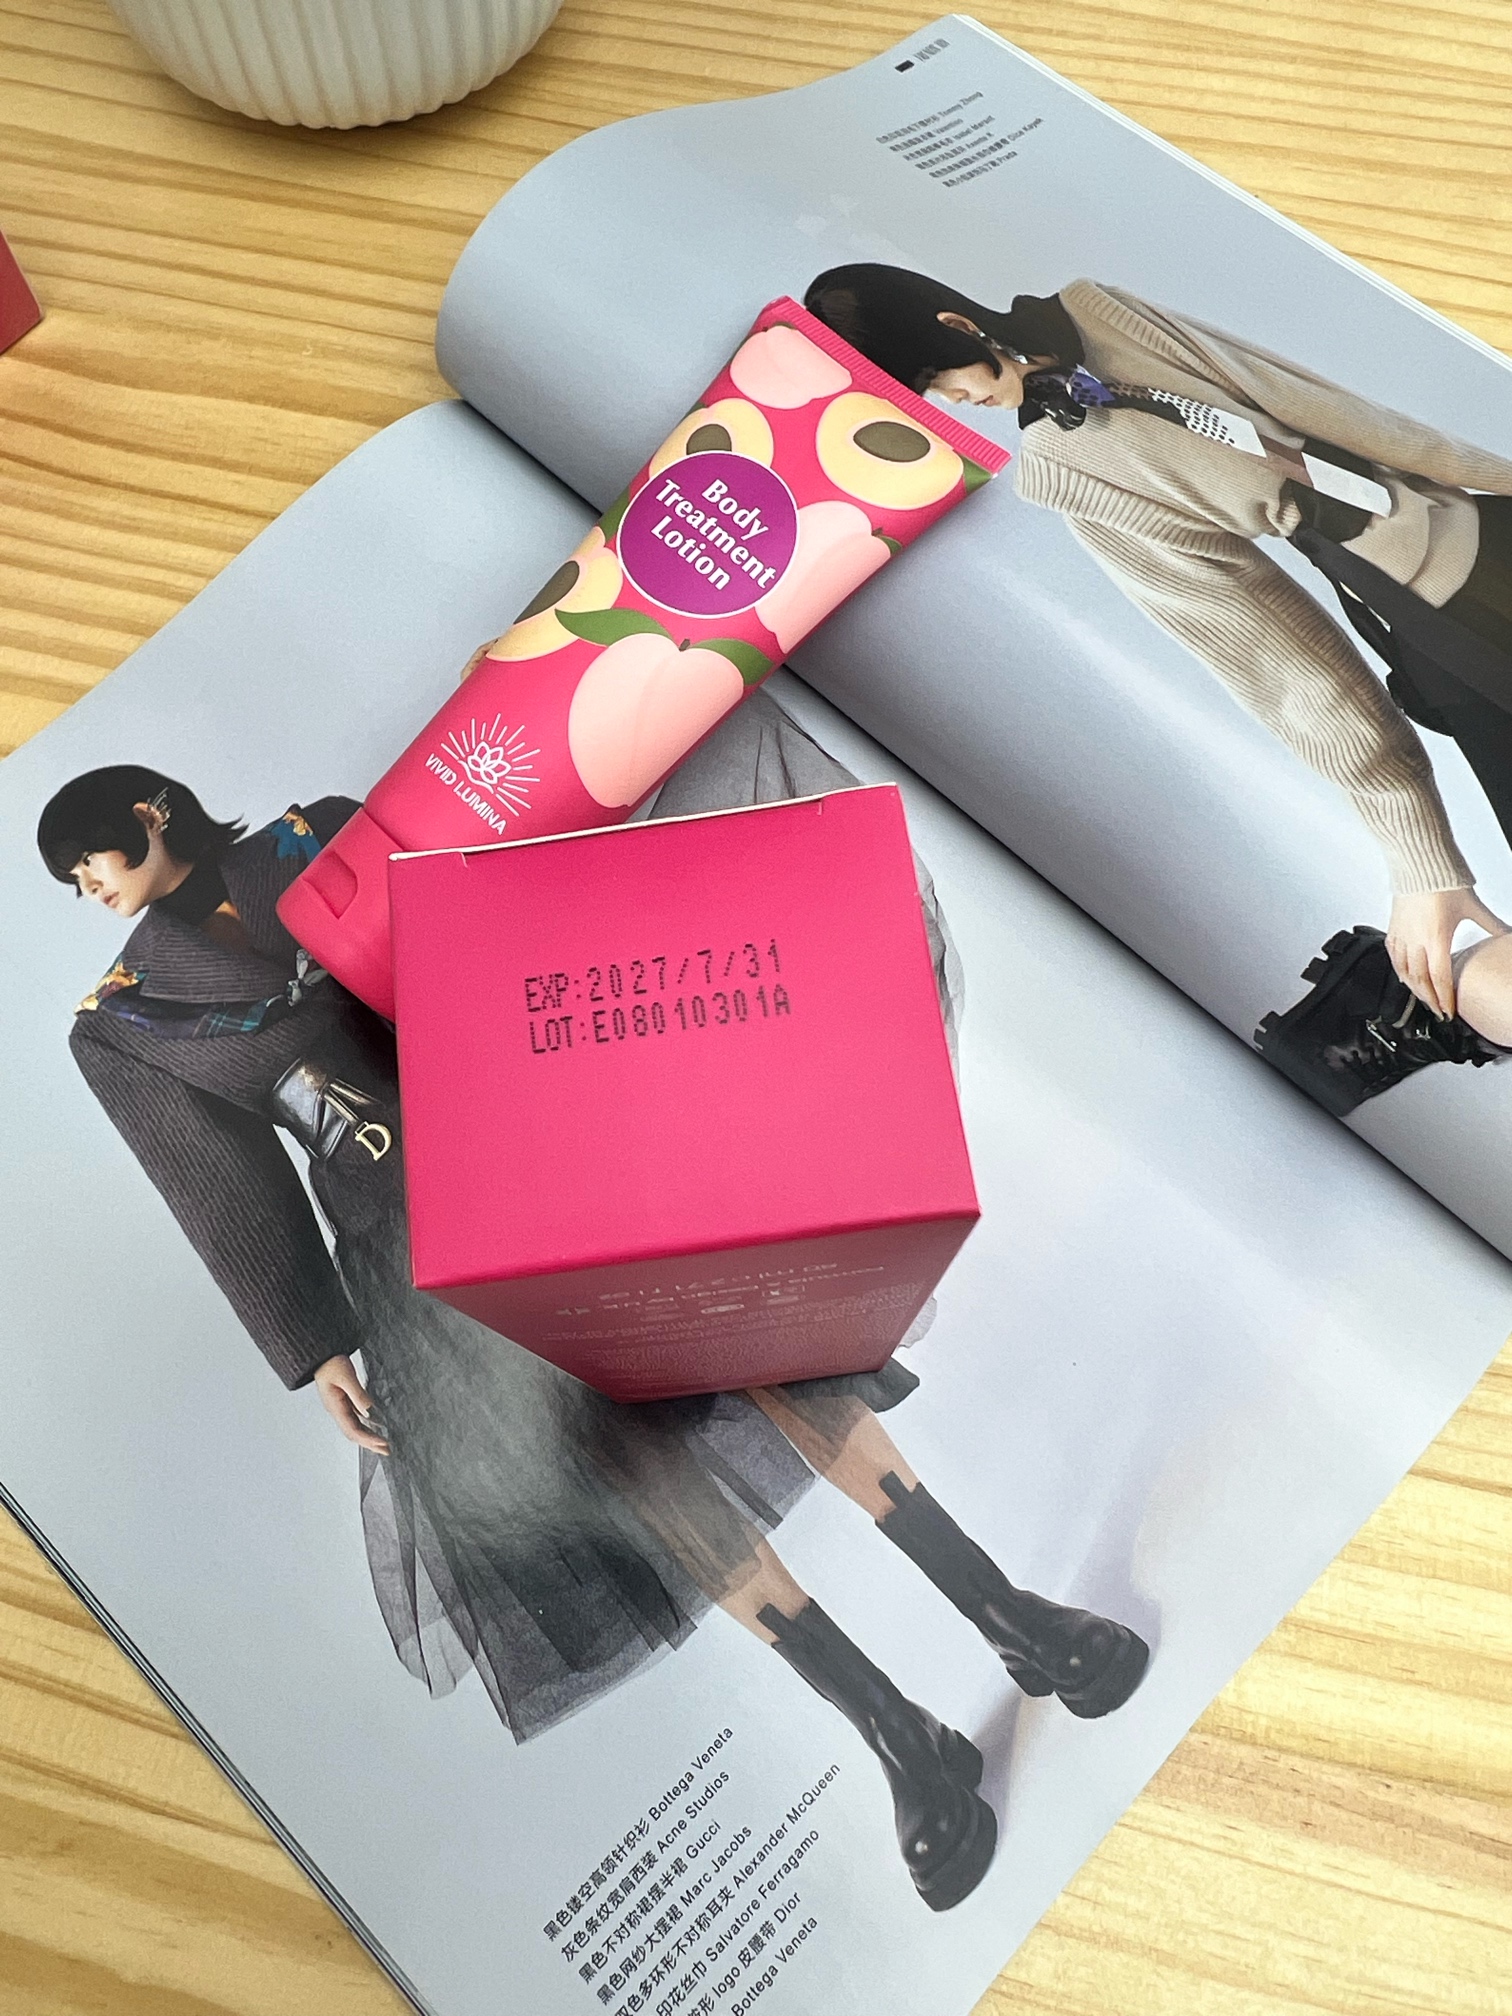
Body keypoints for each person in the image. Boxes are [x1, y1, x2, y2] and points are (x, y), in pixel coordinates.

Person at [39, 694, 1148, 1915]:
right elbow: (220, 1188)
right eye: (73, 883)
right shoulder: (125, 1024)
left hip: (542, 1138)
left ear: (148, 813)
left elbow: (511, 940)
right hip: (411, 1249)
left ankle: (1005, 1611)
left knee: (759, 1354)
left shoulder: (328, 837)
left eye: (88, 861)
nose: (90, 889)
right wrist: (314, 1351)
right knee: (630, 1474)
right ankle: (896, 1732)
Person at [803, 263, 1512, 1113]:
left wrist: (1498, 473)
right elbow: (1282, 662)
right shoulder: (1076, 475)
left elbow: (1330, 411)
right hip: (1455, 646)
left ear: (955, 325)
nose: (952, 399)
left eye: (935, 376)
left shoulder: (1103, 316)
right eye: (926, 396)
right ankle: (1429, 1004)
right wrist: (1419, 855)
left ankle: (1423, 1008)